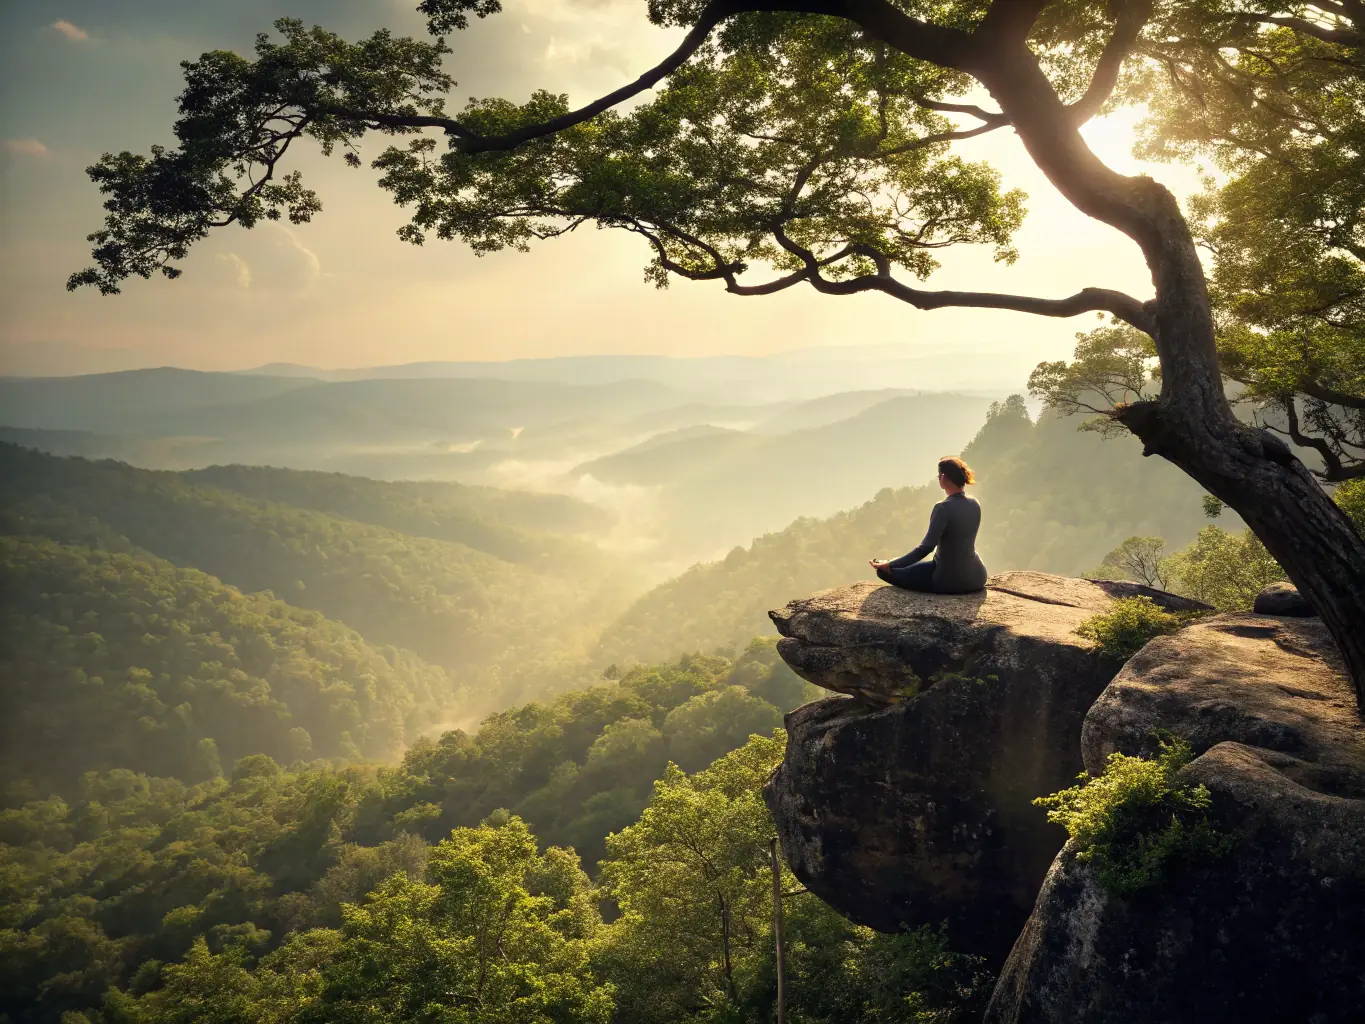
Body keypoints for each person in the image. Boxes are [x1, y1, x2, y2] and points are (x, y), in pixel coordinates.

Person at [869, 456, 987, 593]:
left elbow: (925, 548)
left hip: (948, 580)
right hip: (977, 577)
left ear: (943, 477)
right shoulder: (974, 503)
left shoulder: (942, 508)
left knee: (883, 572)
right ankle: (893, 563)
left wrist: (890, 565)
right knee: (900, 566)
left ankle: (890, 564)